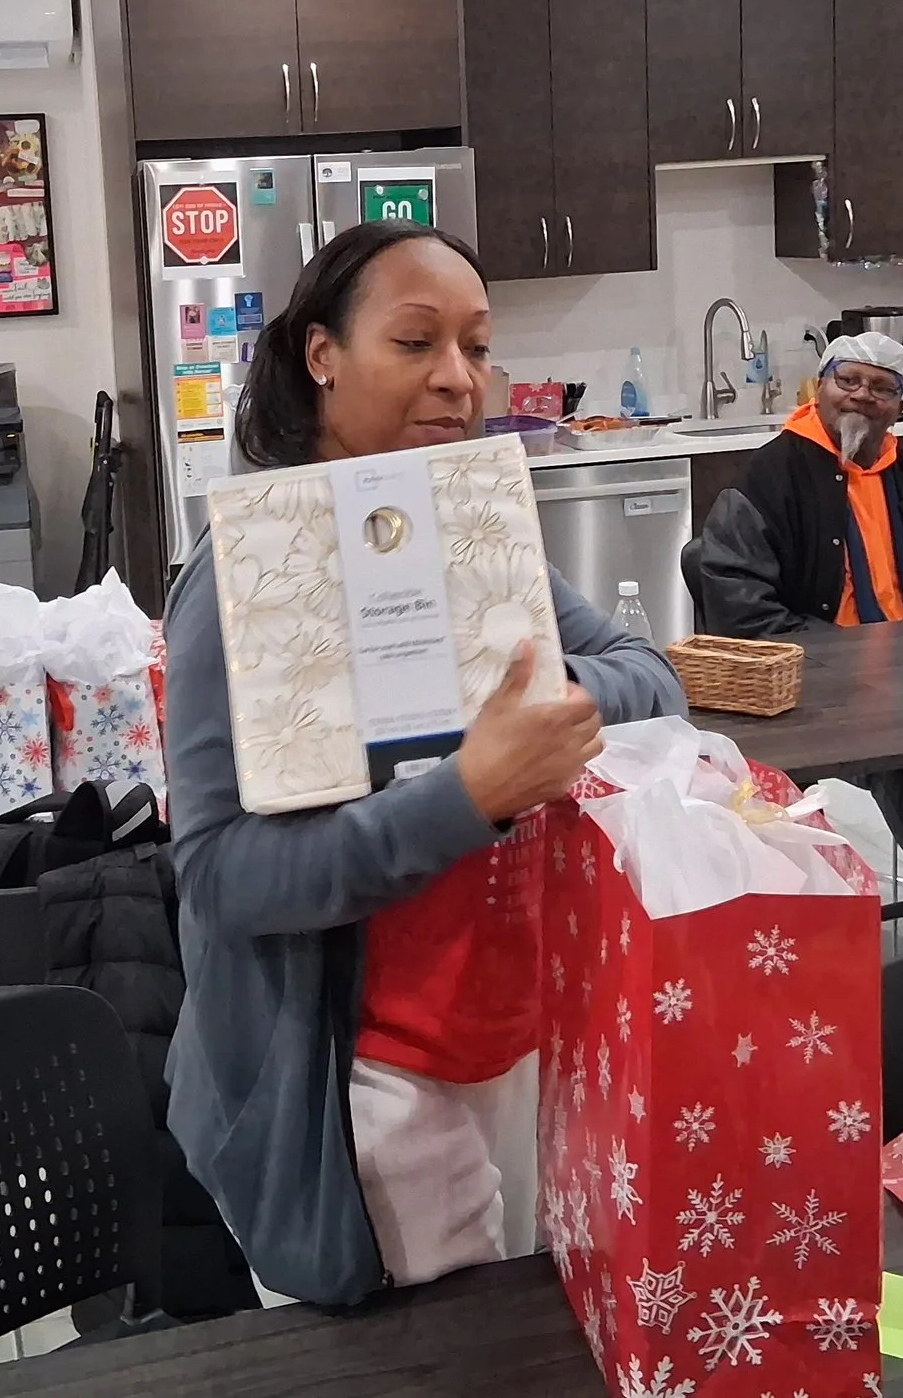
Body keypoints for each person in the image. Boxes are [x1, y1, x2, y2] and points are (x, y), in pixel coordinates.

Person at [162, 220, 684, 1307]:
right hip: (368, 1077)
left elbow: (647, 673)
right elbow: (223, 876)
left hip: (518, 1032)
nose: (459, 379)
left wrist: (549, 711)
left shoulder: (470, 529)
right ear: (321, 356)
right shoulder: (250, 575)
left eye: (477, 346)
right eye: (415, 343)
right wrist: (469, 793)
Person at [694, 331, 903, 633]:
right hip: (816, 668)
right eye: (848, 380)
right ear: (819, 387)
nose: (862, 395)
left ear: (900, 409)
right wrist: (839, 654)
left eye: (882, 388)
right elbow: (743, 614)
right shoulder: (766, 482)